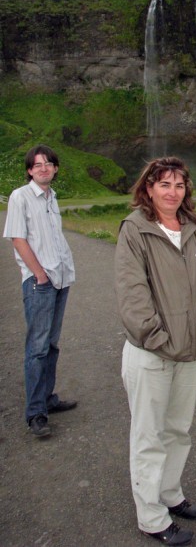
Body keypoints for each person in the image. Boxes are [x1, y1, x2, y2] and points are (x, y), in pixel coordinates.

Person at [115, 156, 196, 546]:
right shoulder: (135, 230)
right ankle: (151, 518)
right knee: (149, 434)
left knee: (179, 429)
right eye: (164, 184)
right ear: (148, 189)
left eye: (179, 185)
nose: (172, 192)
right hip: (153, 353)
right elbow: (133, 294)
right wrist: (157, 339)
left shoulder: (194, 228)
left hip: (194, 349)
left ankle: (169, 494)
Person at [3, 145, 77, 438]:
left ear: (55, 168)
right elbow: (18, 239)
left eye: (48, 163)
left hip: (61, 279)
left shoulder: (52, 197)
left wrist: (60, 273)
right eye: (37, 165)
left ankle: (47, 399)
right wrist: (39, 274)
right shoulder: (21, 197)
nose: (43, 168)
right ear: (29, 171)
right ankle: (35, 414)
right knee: (37, 348)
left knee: (52, 344)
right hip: (40, 283)